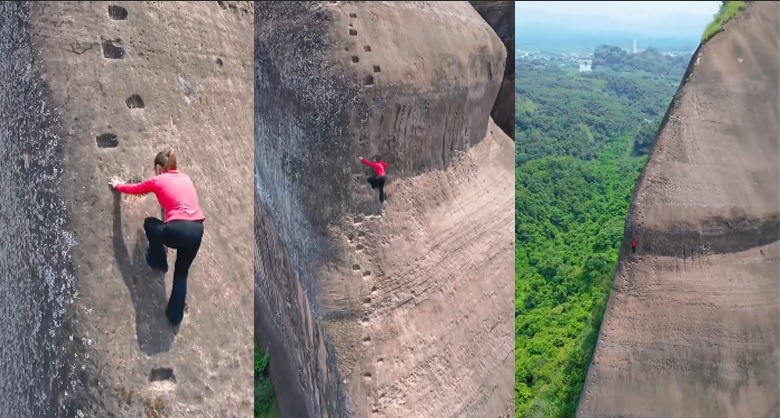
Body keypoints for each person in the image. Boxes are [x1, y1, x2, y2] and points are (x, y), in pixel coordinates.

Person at [108, 150, 205, 327]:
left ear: (159, 168)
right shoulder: (185, 178)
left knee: (150, 225)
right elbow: (177, 200)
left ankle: (158, 260)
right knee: (182, 272)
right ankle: (175, 316)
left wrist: (118, 185)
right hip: (197, 230)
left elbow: (135, 189)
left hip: (178, 230)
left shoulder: (158, 180)